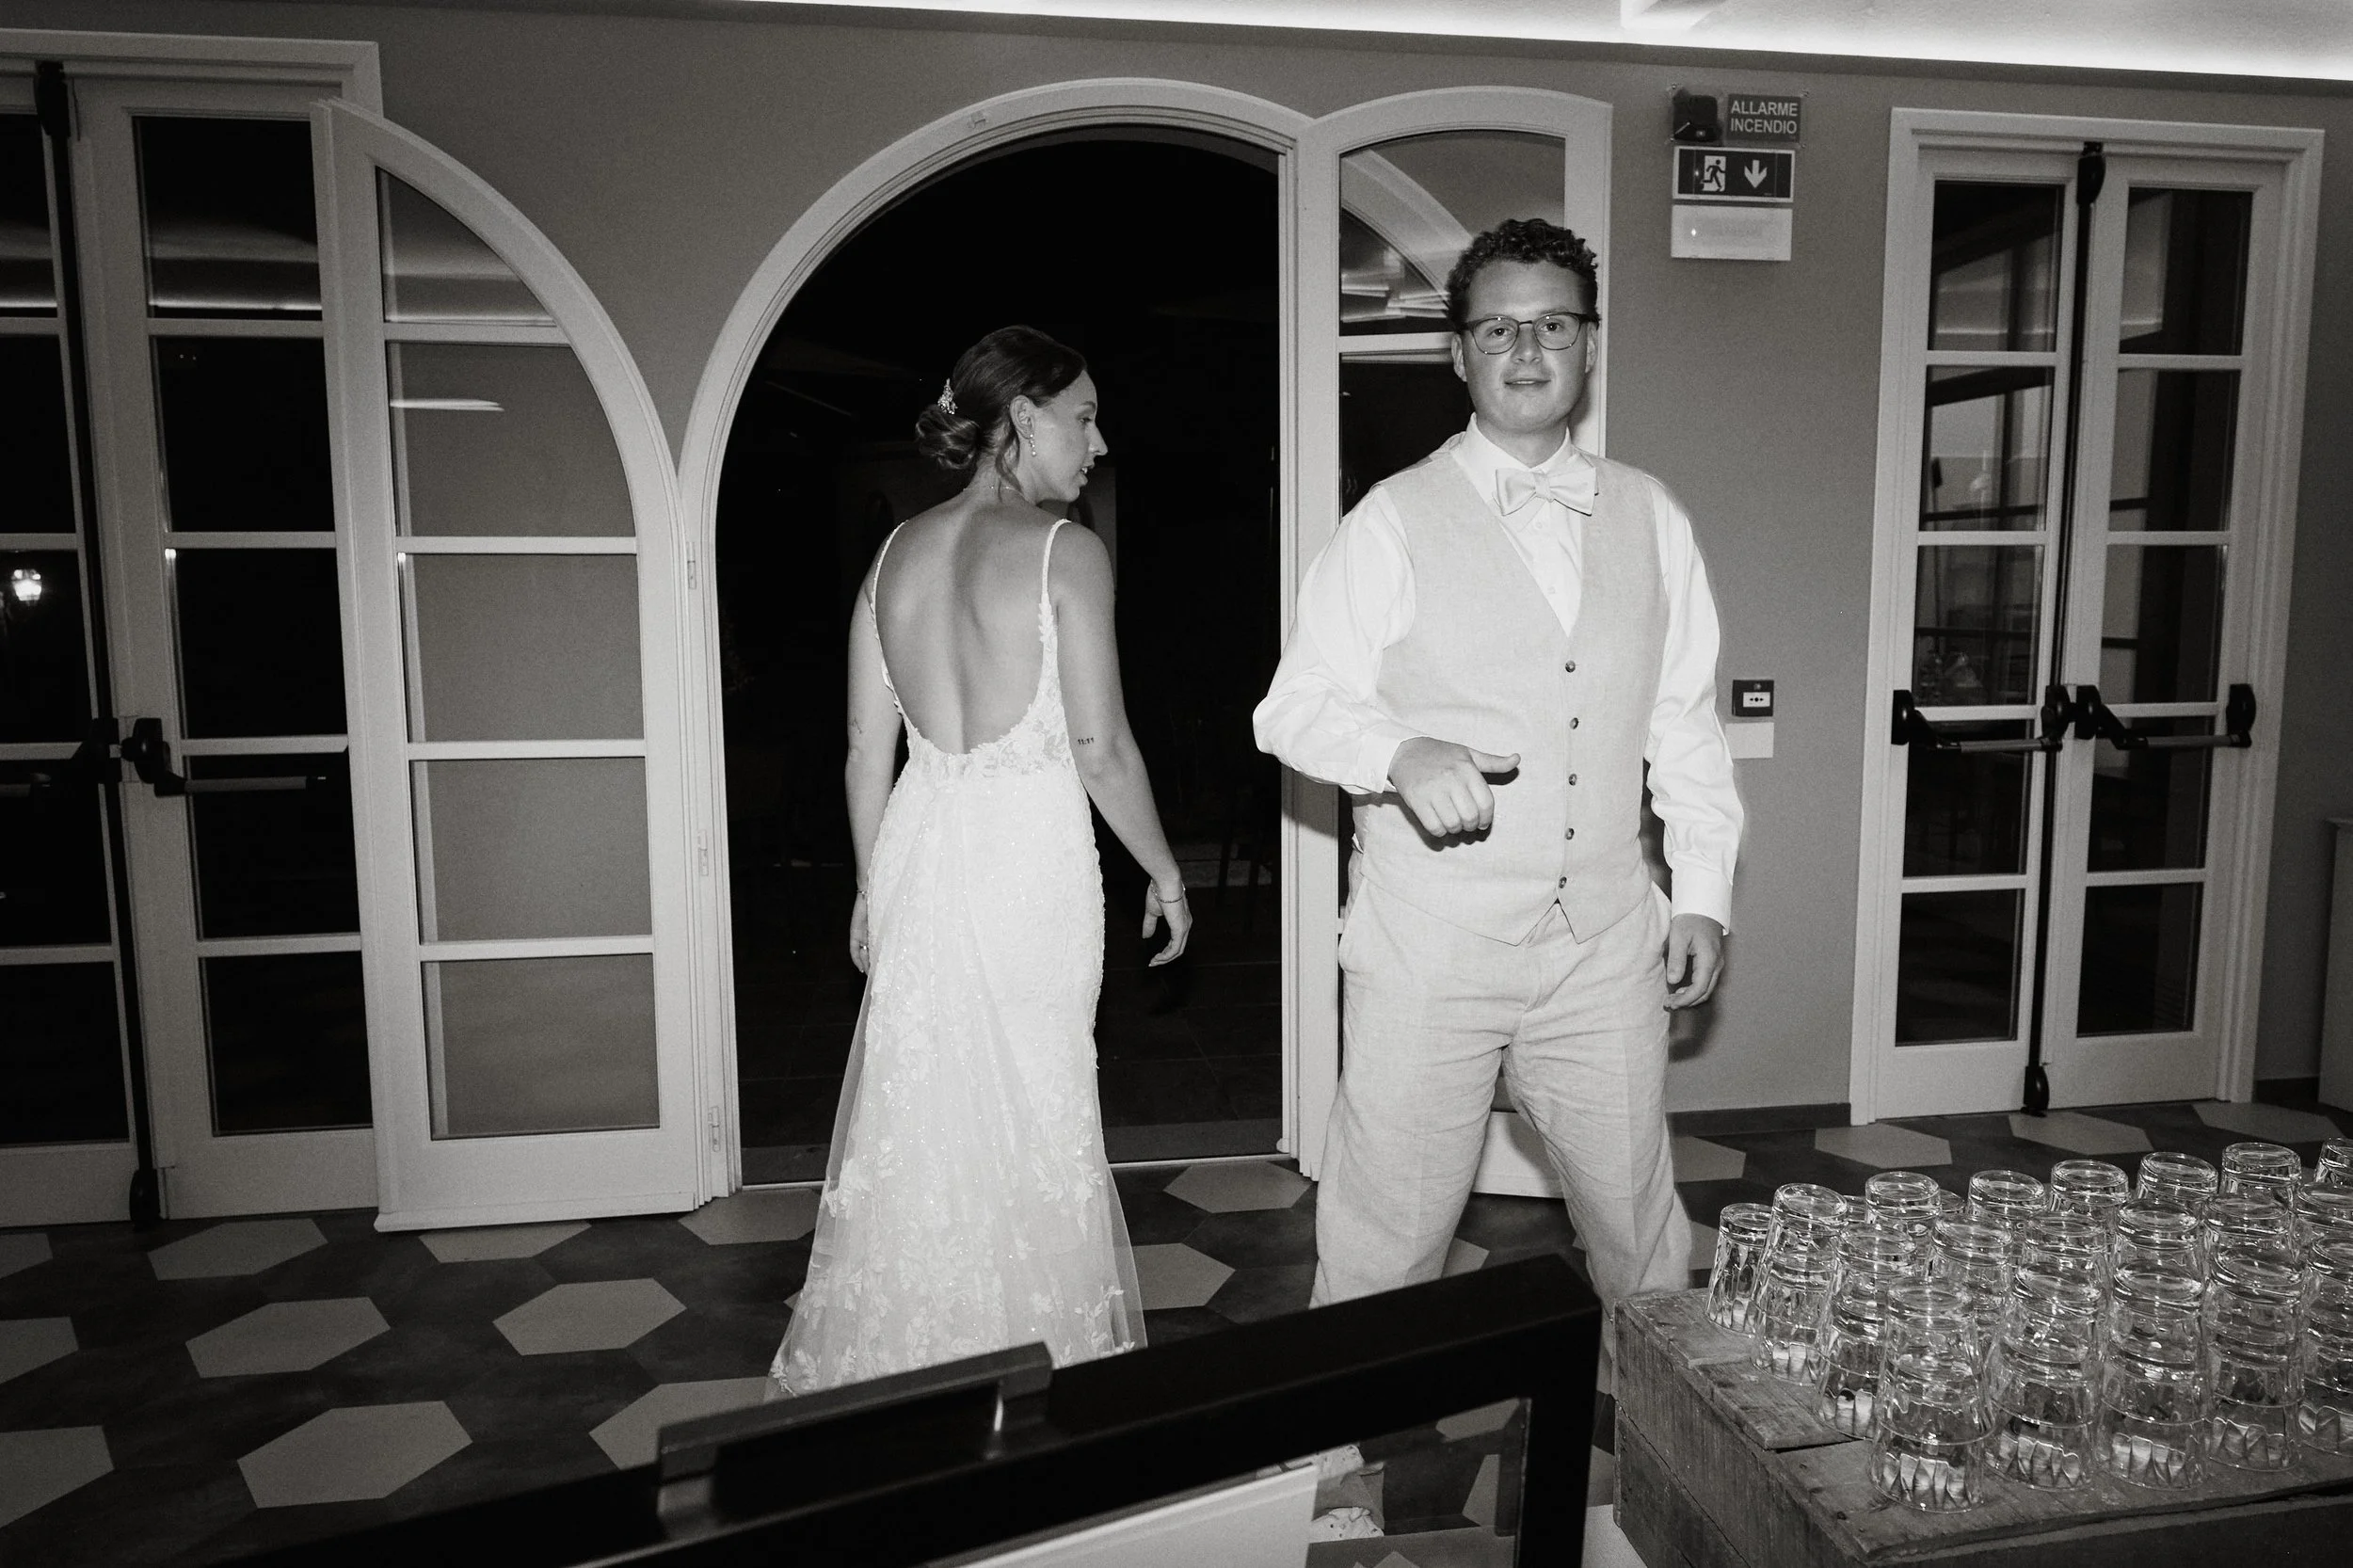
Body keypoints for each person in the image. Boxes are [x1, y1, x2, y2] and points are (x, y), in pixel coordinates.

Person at [1254, 218, 1743, 1371]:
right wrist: (1399, 751)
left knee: (1637, 1222)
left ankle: (1676, 1459)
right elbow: (1293, 706)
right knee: (1386, 1231)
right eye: (1499, 327)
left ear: (1588, 345)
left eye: (1554, 324)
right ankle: (1337, 1477)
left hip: (1604, 943)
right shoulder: (1390, 517)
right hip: (1433, 946)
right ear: (1458, 354)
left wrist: (1703, 893)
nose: (1528, 348)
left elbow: (1683, 722)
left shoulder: (1652, 514)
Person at [771, 326, 1193, 1395]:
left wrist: (874, 887)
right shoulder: (1067, 551)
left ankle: (912, 1373)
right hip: (1025, 864)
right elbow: (1099, 747)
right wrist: (1167, 870)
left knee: (924, 1119)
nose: (1098, 443)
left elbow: (867, 748)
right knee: (1035, 1107)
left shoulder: (891, 555)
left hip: (921, 844)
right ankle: (1034, 1373)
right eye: (1083, 417)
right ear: (1020, 420)